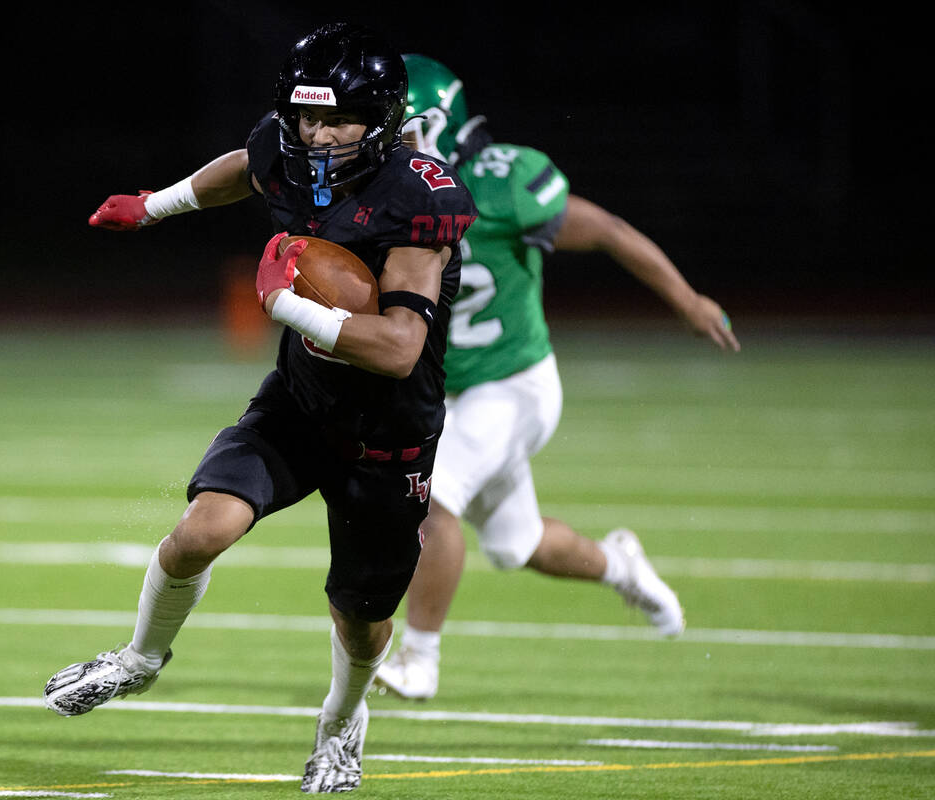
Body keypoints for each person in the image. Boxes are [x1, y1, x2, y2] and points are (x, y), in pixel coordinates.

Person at [40, 26, 476, 793]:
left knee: (361, 617)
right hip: (303, 403)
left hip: (389, 432)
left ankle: (342, 724)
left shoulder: (417, 197)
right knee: (200, 531)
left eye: (336, 120)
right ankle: (139, 660)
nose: (315, 136)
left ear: (380, 120)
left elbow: (402, 347)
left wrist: (285, 305)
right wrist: (154, 206)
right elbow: (247, 169)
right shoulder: (284, 149)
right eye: (306, 119)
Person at [372, 53, 741, 702]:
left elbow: (608, 231)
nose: (385, 144)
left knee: (433, 498)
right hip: (449, 393)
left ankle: (419, 660)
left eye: (397, 129)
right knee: (522, 546)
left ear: (438, 127)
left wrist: (687, 300)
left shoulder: (503, 181)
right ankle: (620, 564)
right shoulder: (386, 198)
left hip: (515, 385)